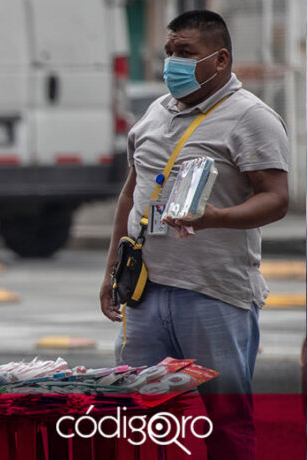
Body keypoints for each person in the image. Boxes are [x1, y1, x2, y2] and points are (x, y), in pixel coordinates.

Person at [99, 10, 289, 459]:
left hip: (213, 295)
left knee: (224, 422)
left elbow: (276, 198)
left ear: (220, 60)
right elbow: (131, 194)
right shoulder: (154, 112)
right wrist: (111, 270)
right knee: (132, 418)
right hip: (144, 294)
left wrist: (214, 217)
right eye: (169, 52)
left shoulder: (252, 118)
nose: (172, 63)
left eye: (185, 53)